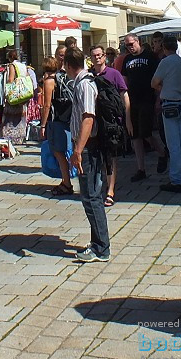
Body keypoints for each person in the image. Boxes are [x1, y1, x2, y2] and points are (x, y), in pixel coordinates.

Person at [63, 48, 110, 262]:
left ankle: (101, 248)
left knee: (91, 197)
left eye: (64, 64)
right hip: (87, 146)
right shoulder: (84, 82)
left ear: (70, 66)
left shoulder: (84, 85)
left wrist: (78, 150)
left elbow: (88, 118)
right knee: (90, 196)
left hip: (88, 147)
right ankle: (97, 243)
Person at [120, 34, 167, 181]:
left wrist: (158, 100)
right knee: (135, 136)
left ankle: (162, 153)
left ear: (138, 41)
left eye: (132, 44)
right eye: (127, 45)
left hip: (147, 99)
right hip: (132, 101)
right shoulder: (127, 60)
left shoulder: (150, 57)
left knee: (146, 132)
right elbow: (125, 81)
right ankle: (141, 169)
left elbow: (159, 80)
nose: (130, 47)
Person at [152, 36, 181, 192]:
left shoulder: (165, 62)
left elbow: (154, 83)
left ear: (164, 47)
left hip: (169, 103)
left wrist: (164, 88)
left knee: (173, 144)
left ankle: (176, 179)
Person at [89, 45, 130, 208]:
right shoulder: (89, 76)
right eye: (94, 56)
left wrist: (128, 119)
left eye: (99, 55)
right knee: (96, 156)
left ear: (104, 56)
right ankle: (98, 187)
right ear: (90, 58)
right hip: (94, 121)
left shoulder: (114, 74)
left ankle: (110, 190)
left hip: (112, 121)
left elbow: (124, 95)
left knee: (111, 156)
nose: (97, 58)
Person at [41, 46, 73, 195]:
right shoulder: (64, 77)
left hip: (56, 119)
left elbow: (47, 105)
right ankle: (66, 180)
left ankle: (67, 183)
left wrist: (42, 125)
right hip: (66, 118)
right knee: (63, 150)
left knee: (58, 151)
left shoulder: (49, 81)